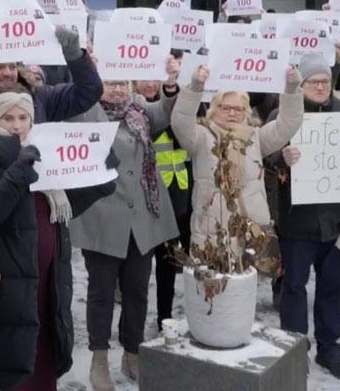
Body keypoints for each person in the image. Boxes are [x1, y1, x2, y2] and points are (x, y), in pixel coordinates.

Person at [0, 91, 116, 391]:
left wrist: (101, 179)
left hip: (49, 272)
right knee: (13, 347)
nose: (17, 125)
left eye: (23, 117)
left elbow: (63, 206)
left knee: (45, 341)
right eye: (8, 118)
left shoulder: (47, 148)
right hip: (10, 274)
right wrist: (18, 173)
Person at [68, 67, 180, 391]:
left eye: (122, 83)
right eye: (110, 83)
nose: (117, 90)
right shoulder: (86, 112)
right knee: (101, 293)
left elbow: (166, 112)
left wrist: (172, 87)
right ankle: (99, 359)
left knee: (137, 290)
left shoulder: (139, 110)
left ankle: (132, 352)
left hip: (142, 216)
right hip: (101, 217)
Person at [264, 54, 340, 380]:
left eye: (325, 81)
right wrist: (281, 158)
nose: (320, 87)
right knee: (294, 287)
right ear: (300, 85)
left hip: (337, 221)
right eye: (313, 81)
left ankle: (329, 349)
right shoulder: (283, 115)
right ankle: (294, 348)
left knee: (333, 286)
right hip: (297, 221)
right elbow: (264, 157)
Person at [170, 65, 303, 263]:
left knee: (245, 292)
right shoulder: (200, 137)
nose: (232, 113)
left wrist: (291, 89)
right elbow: (181, 122)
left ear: (246, 112)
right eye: (226, 108)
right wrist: (196, 87)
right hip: (211, 236)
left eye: (239, 109)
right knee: (212, 291)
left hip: (250, 235)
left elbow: (288, 123)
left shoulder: (256, 138)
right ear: (214, 110)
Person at [0, 27, 102, 134]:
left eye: (12, 67)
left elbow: (88, 92)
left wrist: (76, 56)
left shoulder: (41, 97)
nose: (8, 73)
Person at [134, 78, 192, 331]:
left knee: (169, 263)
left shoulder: (177, 109)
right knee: (141, 269)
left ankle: (164, 316)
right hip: (145, 199)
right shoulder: (134, 113)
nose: (149, 85)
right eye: (142, 81)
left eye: (153, 79)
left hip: (177, 195)